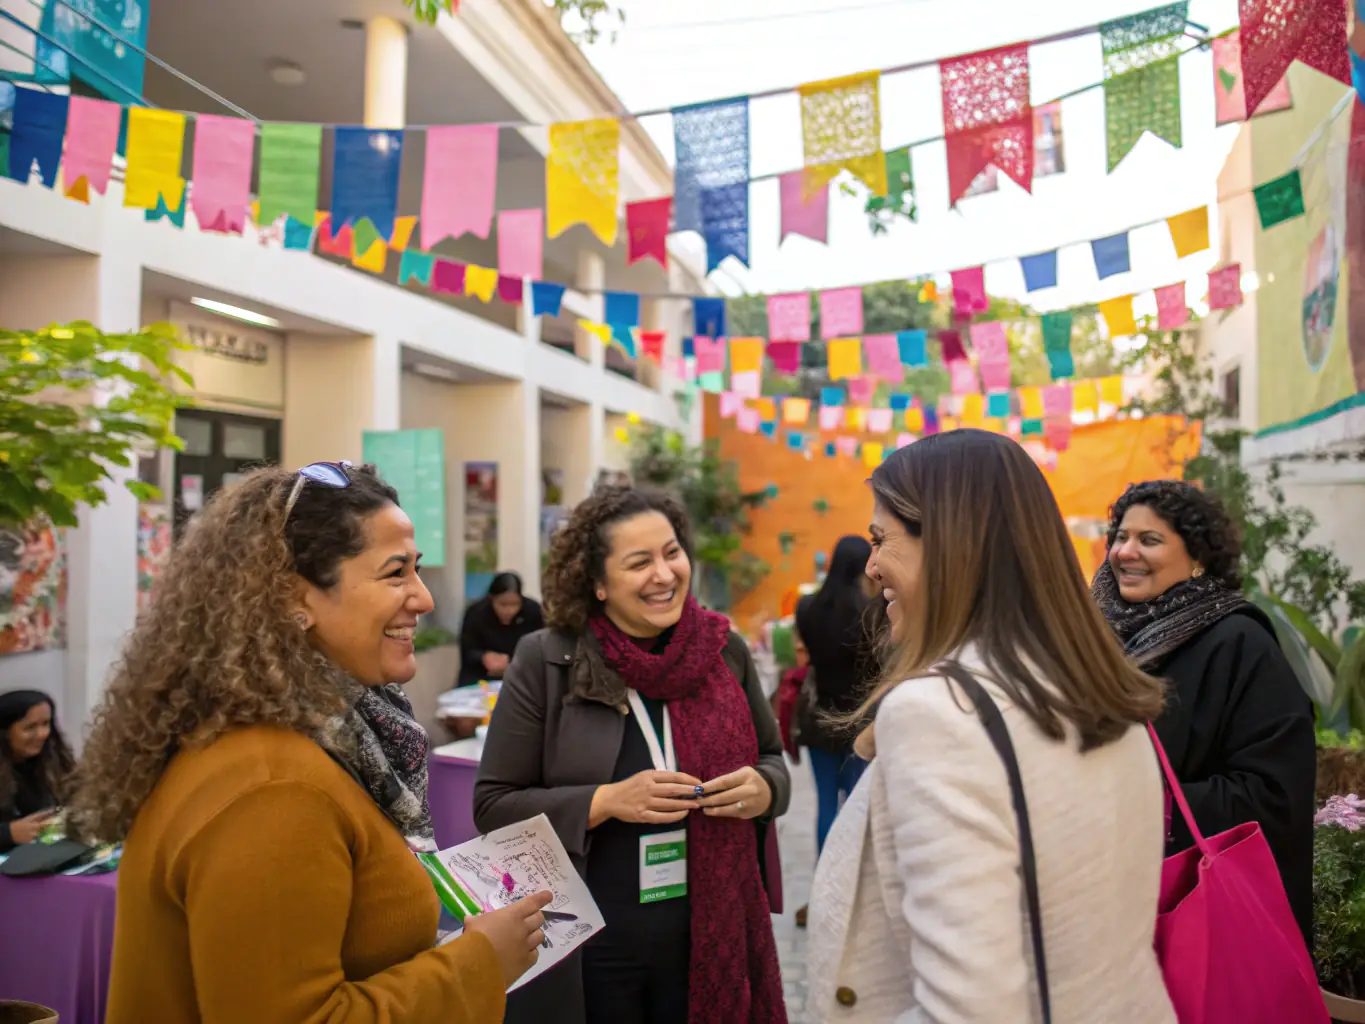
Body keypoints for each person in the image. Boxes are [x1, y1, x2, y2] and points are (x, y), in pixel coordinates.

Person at [67, 462, 551, 1023]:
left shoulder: (313, 743)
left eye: (415, 570)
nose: (424, 599)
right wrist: (480, 962)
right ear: (293, 598)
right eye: (395, 573)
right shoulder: (274, 788)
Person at [806, 430, 1176, 1023]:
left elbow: (969, 1010)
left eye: (882, 540)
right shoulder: (1088, 682)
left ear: (951, 546)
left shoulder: (937, 714)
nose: (872, 568)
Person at [474, 486, 790, 1024]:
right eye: (639, 562)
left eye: (671, 553)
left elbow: (773, 763)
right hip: (594, 948)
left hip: (711, 936)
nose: (664, 575)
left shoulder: (723, 651)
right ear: (597, 583)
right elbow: (494, 804)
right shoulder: (548, 659)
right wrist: (605, 800)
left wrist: (764, 790)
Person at [1092, 479, 1317, 946]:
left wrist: (1140, 801)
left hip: (1201, 918)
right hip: (1102, 902)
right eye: (1121, 536)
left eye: (1149, 540)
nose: (1125, 552)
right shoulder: (1094, 639)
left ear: (1197, 559)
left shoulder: (1239, 643)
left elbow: (1274, 796)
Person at [795, 536, 875, 855]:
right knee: (856, 802)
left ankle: (823, 880)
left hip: (818, 718)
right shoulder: (869, 612)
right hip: (858, 720)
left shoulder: (807, 608)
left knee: (826, 803)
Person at [0, 690, 74, 852]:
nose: (42, 734)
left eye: (46, 724)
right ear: (5, 732)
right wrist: (8, 833)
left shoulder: (52, 761)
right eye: (30, 727)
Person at [458, 572, 545, 687]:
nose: (509, 610)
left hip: (521, 677)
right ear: (492, 599)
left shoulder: (532, 611)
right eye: (503, 604)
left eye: (514, 604)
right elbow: (467, 648)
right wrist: (484, 657)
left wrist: (512, 660)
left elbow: (540, 647)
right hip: (479, 676)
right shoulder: (476, 613)